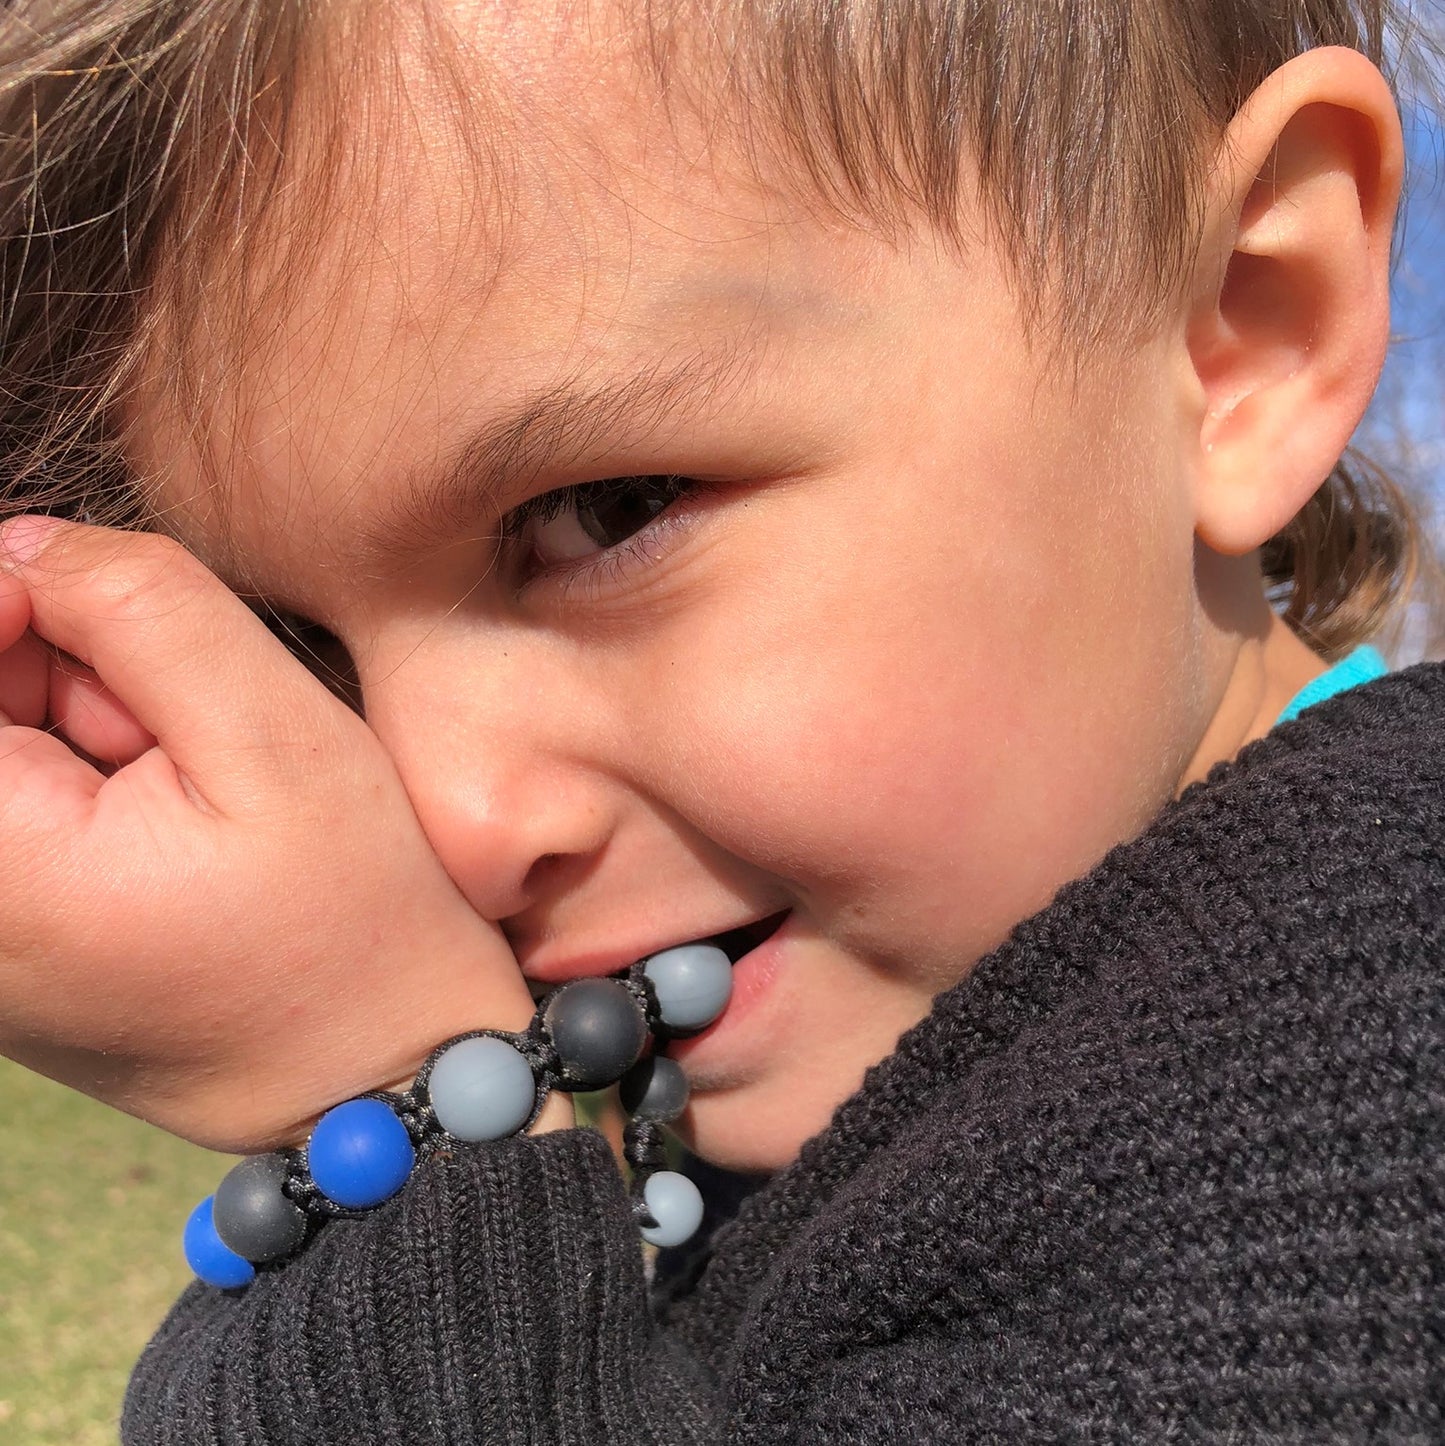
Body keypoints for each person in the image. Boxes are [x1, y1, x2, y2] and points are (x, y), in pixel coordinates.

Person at [1, 0, 1442, 1438]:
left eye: (607, 510)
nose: (446, 818)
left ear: (1247, 328)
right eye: (301, 646)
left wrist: (378, 1112)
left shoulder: (1364, 1100)